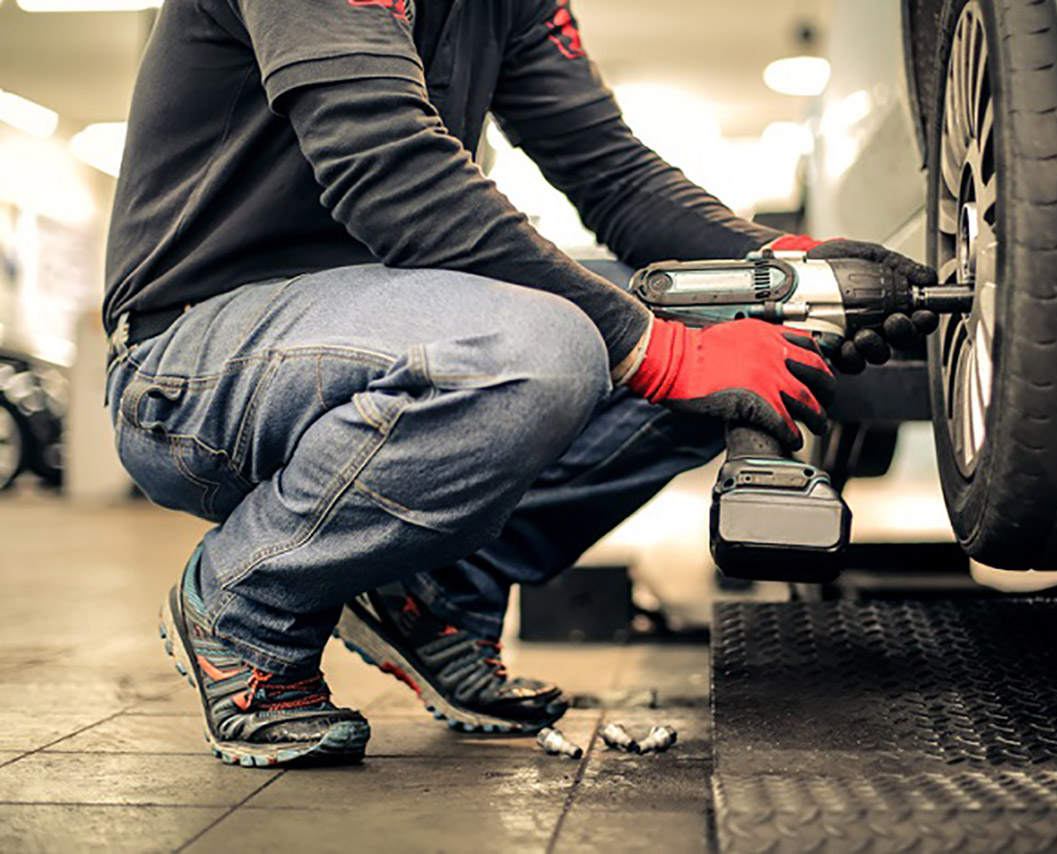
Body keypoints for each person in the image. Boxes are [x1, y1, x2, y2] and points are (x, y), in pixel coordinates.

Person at [104, 0, 937, 767]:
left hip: (375, 323)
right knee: (542, 349)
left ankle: (437, 590)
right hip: (195, 359)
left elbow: (612, 174)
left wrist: (779, 269)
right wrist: (666, 357)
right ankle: (248, 605)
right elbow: (386, 169)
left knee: (726, 318)